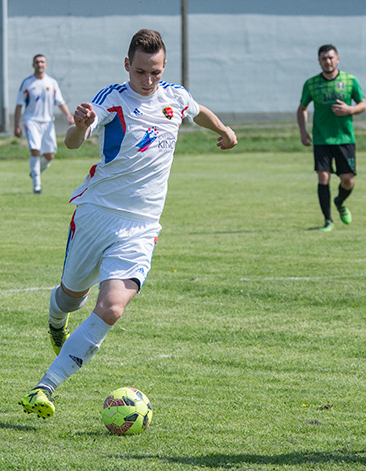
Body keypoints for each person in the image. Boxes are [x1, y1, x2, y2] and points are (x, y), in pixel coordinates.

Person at [19, 29, 237, 419]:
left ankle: (44, 387)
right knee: (70, 297)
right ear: (127, 66)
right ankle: (56, 323)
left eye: (154, 72)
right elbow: (72, 142)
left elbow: (197, 110)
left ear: (164, 67)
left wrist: (222, 129)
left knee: (112, 308)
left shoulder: (175, 96)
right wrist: (82, 125)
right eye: (140, 72)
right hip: (96, 214)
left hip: (141, 227)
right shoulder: (112, 98)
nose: (148, 80)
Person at [297, 44, 366, 232]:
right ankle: (328, 220)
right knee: (323, 177)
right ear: (319, 61)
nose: (327, 61)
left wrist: (349, 110)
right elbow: (302, 108)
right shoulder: (311, 84)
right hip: (321, 139)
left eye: (330, 57)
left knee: (347, 180)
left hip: (344, 138)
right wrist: (303, 132)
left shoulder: (350, 80)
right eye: (323, 58)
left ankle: (340, 201)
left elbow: (363, 104)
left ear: (337, 59)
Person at [14, 54, 75, 194]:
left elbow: (60, 101)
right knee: (35, 150)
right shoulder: (27, 83)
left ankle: (35, 172)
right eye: (37, 62)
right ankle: (37, 185)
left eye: (42, 62)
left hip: (48, 122)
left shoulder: (51, 83)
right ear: (33, 65)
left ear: (46, 65)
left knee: (49, 155)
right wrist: (16, 125)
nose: (40, 64)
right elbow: (18, 105)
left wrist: (68, 115)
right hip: (32, 121)